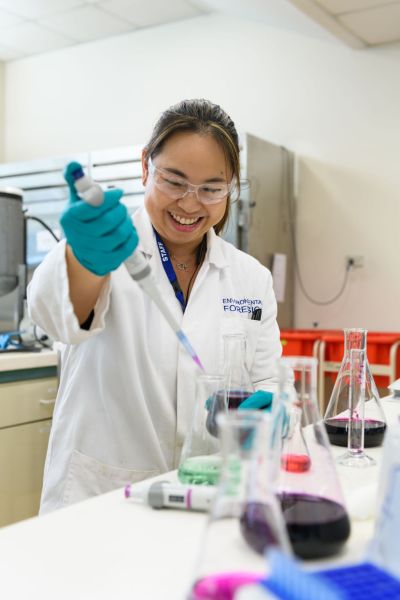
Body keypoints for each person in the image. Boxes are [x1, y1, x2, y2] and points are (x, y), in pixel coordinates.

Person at [28, 99, 282, 513]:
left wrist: (272, 410)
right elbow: (56, 316)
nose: (189, 203)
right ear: (146, 166)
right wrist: (83, 260)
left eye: (212, 188)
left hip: (209, 495)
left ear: (231, 186)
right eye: (174, 181)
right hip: (102, 505)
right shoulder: (108, 251)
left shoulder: (250, 278)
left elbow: (268, 379)